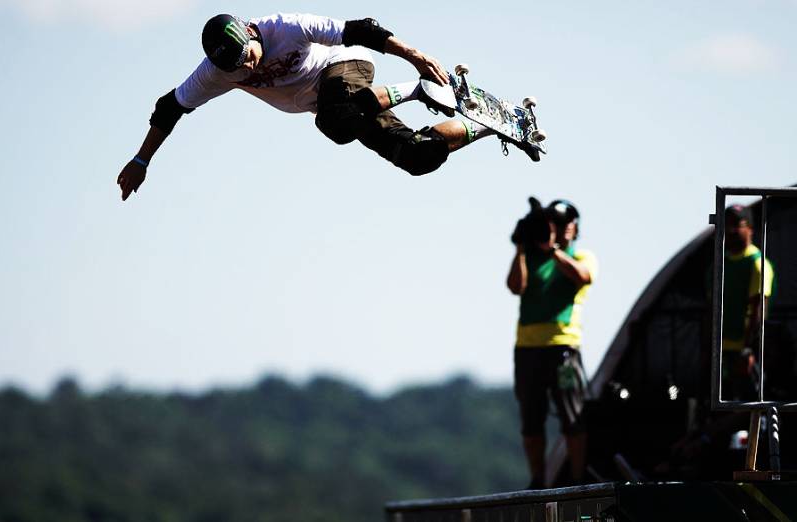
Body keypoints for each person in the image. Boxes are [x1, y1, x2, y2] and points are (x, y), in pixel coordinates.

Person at [117, 13, 535, 201]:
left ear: (250, 31)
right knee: (417, 157)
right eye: (237, 66)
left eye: (248, 54)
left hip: (346, 67)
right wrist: (141, 159)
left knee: (333, 123)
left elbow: (360, 30)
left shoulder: (286, 26)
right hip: (342, 108)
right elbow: (169, 107)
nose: (248, 65)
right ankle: (495, 126)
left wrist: (414, 56)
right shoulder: (215, 73)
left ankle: (419, 91)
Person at [506, 198, 597, 489]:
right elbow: (514, 286)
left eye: (564, 223)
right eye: (554, 224)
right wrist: (521, 248)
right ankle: (538, 480)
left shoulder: (582, 256)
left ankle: (577, 477)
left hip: (563, 347)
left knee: (573, 416)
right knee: (531, 420)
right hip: (528, 347)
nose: (559, 229)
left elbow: (581, 277)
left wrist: (554, 250)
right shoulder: (532, 258)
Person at [718, 204, 774, 401]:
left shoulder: (758, 264)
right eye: (727, 225)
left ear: (750, 227)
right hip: (721, 352)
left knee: (752, 407)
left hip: (745, 354)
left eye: (737, 224)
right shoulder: (719, 264)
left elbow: (758, 310)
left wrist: (749, 350)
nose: (731, 230)